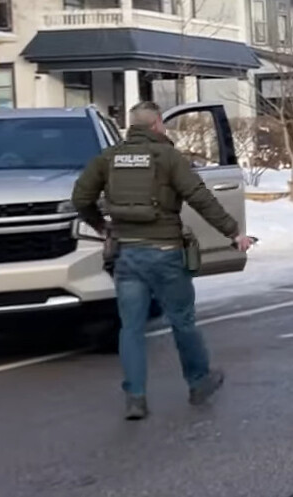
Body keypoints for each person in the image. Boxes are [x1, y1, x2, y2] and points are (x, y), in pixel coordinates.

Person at [72, 101, 251, 420]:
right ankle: (199, 382)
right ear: (157, 124)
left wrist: (101, 225)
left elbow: (81, 198)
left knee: (131, 328)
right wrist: (233, 232)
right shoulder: (168, 157)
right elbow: (200, 197)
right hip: (166, 252)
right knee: (182, 320)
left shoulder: (108, 158)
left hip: (127, 254)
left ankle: (135, 398)